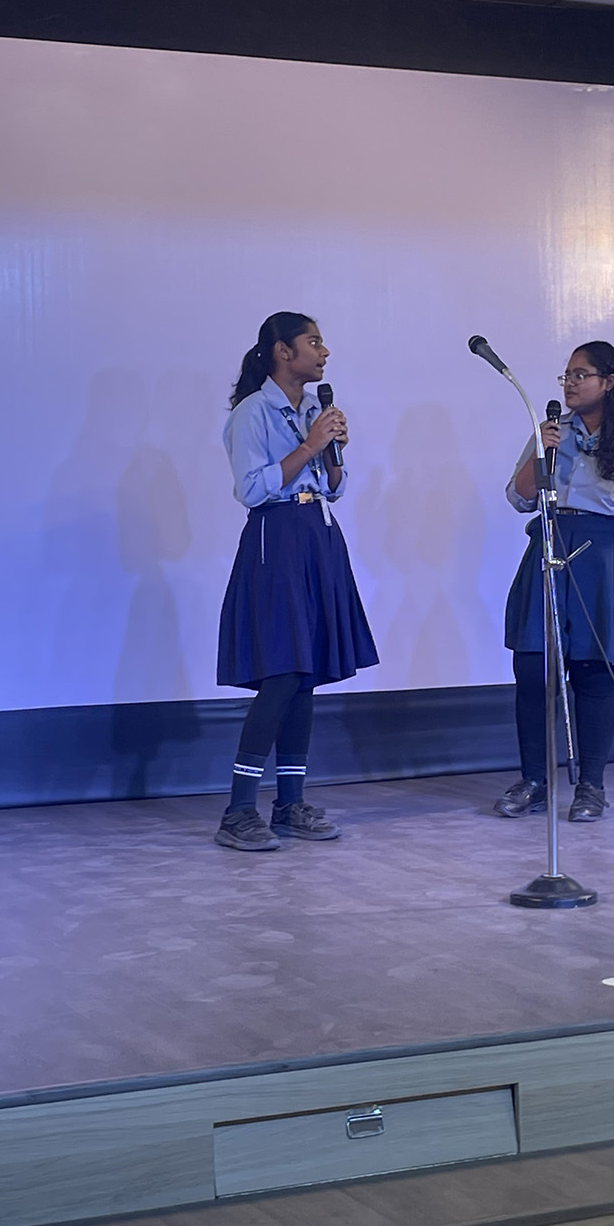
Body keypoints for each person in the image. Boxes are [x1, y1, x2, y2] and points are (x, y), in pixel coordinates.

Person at [213, 313, 378, 851]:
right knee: (282, 671)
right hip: (276, 539)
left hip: (317, 534)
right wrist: (309, 445)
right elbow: (252, 488)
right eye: (314, 342)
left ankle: (290, 803)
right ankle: (239, 810)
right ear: (283, 351)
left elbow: (333, 486)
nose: (324, 352)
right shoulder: (252, 412)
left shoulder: (312, 409)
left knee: (305, 673)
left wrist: (332, 455)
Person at [496, 341, 614, 822]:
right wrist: (540, 453)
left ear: (608, 382)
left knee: (594, 673)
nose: (571, 384)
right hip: (553, 547)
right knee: (533, 668)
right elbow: (519, 497)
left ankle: (591, 786)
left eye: (581, 375)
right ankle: (534, 781)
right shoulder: (552, 432)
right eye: (567, 376)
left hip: (606, 559)